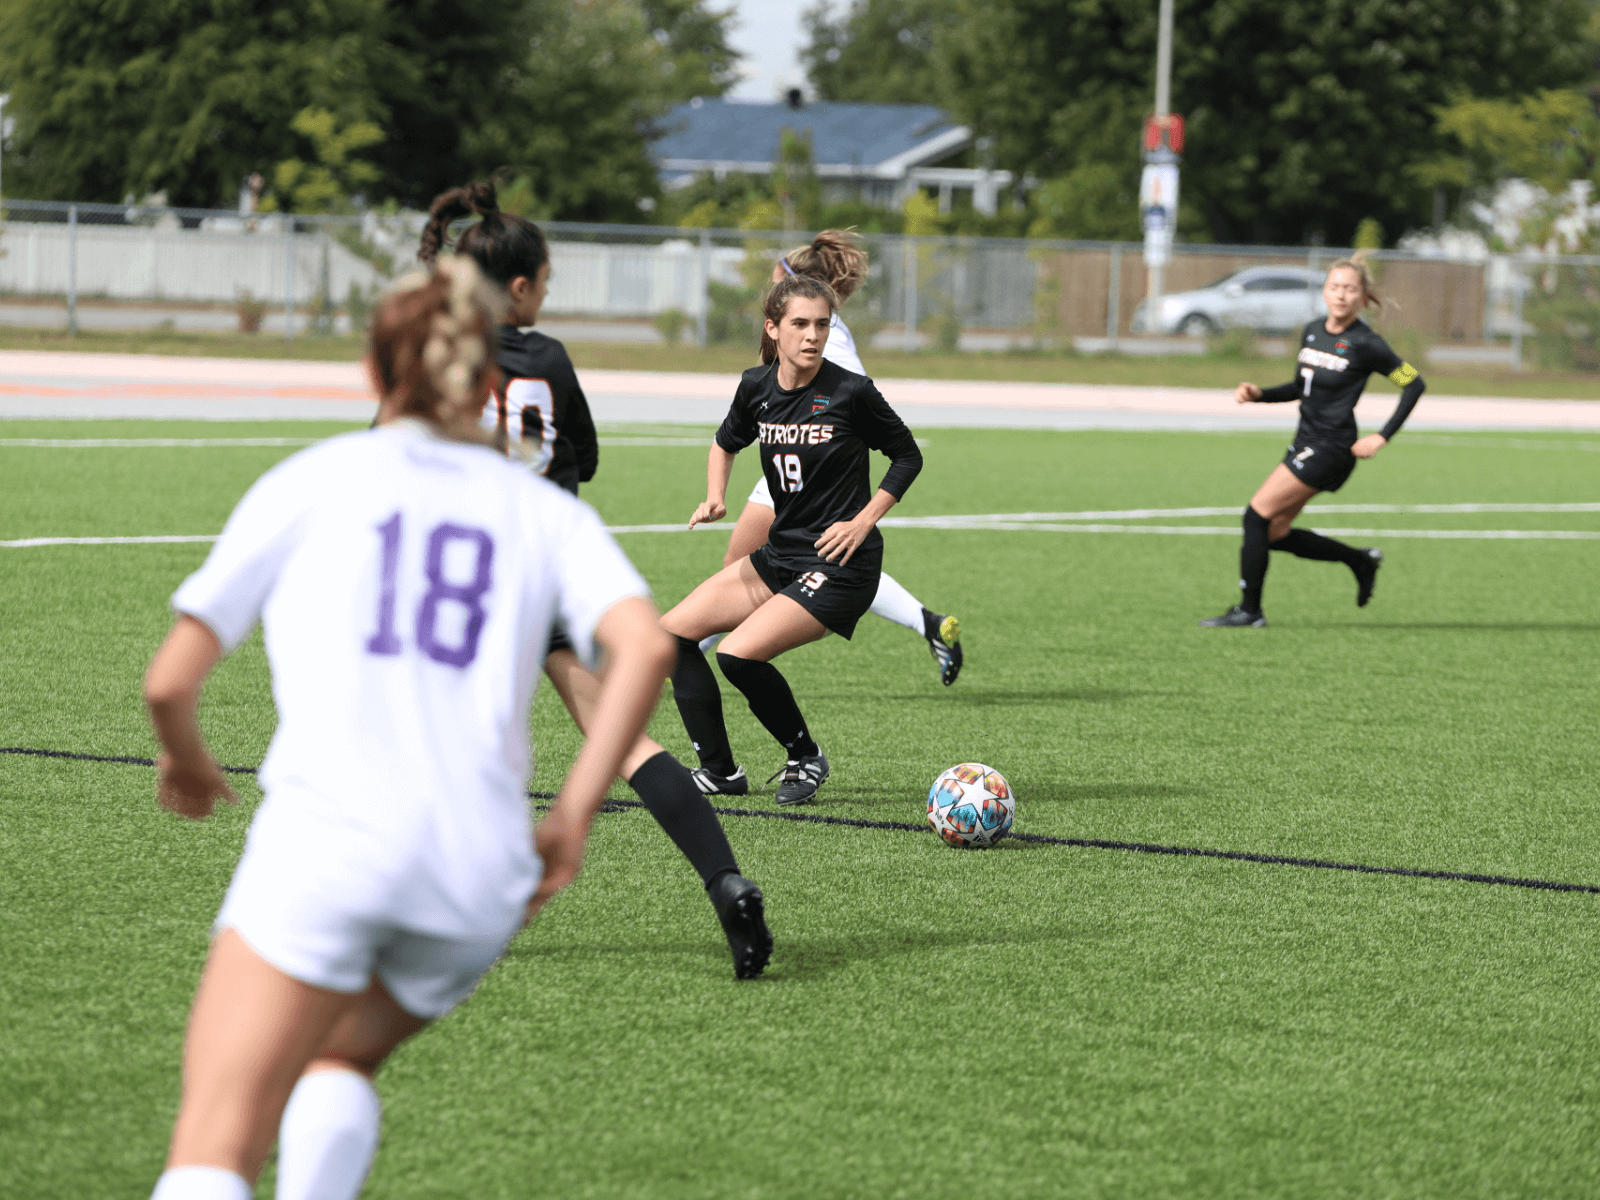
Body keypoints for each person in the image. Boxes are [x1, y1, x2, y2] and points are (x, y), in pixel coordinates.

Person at [143, 258, 675, 1200]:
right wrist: (573, 816)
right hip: (475, 870)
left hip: (331, 845)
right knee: (337, 1060)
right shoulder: (541, 511)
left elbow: (168, 685)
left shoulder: (317, 478)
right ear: (490, 383)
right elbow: (643, 649)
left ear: (374, 370)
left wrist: (187, 763)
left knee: (216, 1140)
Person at [418, 178, 771, 979]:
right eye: (545, 281)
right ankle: (724, 880)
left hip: (465, 582)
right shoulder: (548, 357)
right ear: (517, 288)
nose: (547, 294)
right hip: (548, 575)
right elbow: (584, 456)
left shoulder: (435, 349)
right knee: (625, 741)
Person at [662, 274, 923, 804]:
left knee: (736, 656)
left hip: (840, 563)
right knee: (671, 638)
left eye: (821, 324)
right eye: (799, 324)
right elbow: (723, 442)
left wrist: (864, 519)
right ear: (773, 329)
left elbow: (907, 455)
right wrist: (716, 495)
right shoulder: (756, 387)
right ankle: (720, 771)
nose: (812, 336)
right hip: (781, 554)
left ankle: (805, 756)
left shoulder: (850, 391)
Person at [705, 230, 964, 687]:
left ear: (792, 279)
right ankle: (925, 621)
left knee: (754, 563)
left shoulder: (824, 337)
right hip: (793, 454)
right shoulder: (808, 327)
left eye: (776, 271)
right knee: (797, 559)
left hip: (809, 462)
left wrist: (828, 438)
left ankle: (688, 652)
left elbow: (855, 399)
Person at [1201, 256, 1426, 627]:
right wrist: (1261, 394)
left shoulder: (1367, 343)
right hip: (1306, 440)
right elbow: (1299, 388)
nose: (1341, 295)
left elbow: (1414, 384)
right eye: (1335, 286)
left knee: (1255, 516)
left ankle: (1249, 611)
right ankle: (1359, 560)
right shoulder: (1311, 331)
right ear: (1324, 291)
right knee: (1274, 531)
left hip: (1332, 448)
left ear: (1362, 297)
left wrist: (1382, 437)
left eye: (1350, 289)